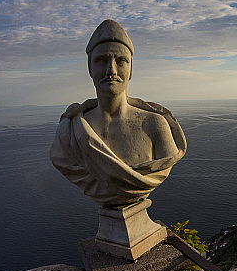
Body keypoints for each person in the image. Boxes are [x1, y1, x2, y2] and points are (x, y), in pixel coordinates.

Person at [50, 20, 186, 207]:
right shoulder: (70, 131)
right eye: (101, 60)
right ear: (90, 68)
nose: (111, 70)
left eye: (121, 61)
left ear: (131, 69)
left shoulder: (155, 124)